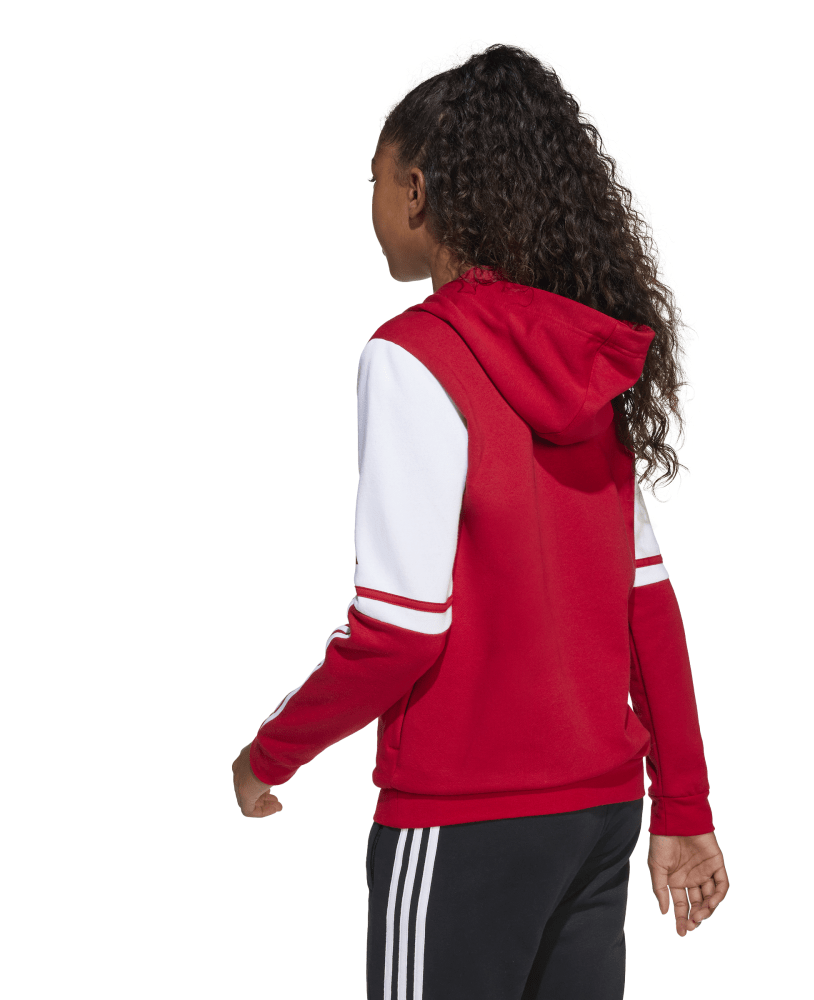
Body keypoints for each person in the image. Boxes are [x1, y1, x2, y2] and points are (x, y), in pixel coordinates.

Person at [232, 43, 728, 1000]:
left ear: (417, 192)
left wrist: (269, 753)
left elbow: (400, 631)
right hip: (598, 817)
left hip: (462, 822)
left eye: (374, 180)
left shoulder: (412, 357)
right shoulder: (583, 360)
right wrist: (685, 803)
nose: (372, 202)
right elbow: (647, 609)